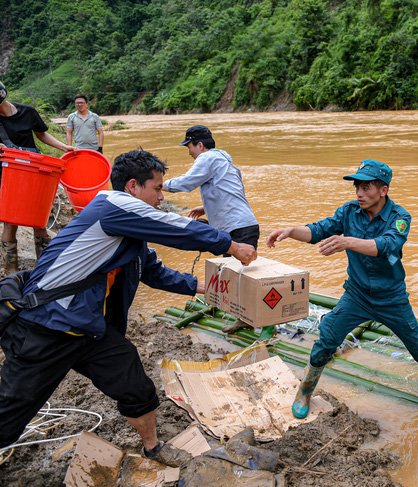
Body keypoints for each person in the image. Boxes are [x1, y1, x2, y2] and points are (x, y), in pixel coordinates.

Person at [0, 149, 257, 466]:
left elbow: (153, 271)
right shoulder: (113, 205)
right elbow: (177, 228)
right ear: (133, 186)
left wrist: (203, 287)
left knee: (138, 389)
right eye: (158, 188)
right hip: (47, 327)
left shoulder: (131, 230)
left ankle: (152, 447)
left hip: (90, 330)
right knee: (10, 415)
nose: (162, 196)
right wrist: (229, 244)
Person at [266, 159, 418, 420]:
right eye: (357, 187)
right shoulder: (349, 212)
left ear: (383, 190)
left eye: (366, 187)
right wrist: (291, 231)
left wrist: (347, 241)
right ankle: (305, 389)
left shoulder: (400, 217)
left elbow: (386, 245)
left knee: (417, 343)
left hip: (391, 297)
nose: (359, 193)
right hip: (357, 295)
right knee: (327, 339)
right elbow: (317, 231)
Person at [0, 80, 75, 274]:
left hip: (34, 170)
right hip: (9, 172)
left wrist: (63, 147)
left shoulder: (27, 112)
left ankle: (45, 265)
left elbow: (41, 134)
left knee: (38, 219)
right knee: (10, 220)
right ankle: (11, 270)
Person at [163, 125, 259, 249]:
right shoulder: (224, 160)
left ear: (200, 145)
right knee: (234, 267)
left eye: (189, 147)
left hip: (237, 228)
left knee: (232, 267)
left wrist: (158, 185)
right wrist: (205, 208)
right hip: (244, 225)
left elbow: (186, 182)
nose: (189, 153)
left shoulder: (206, 157)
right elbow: (232, 193)